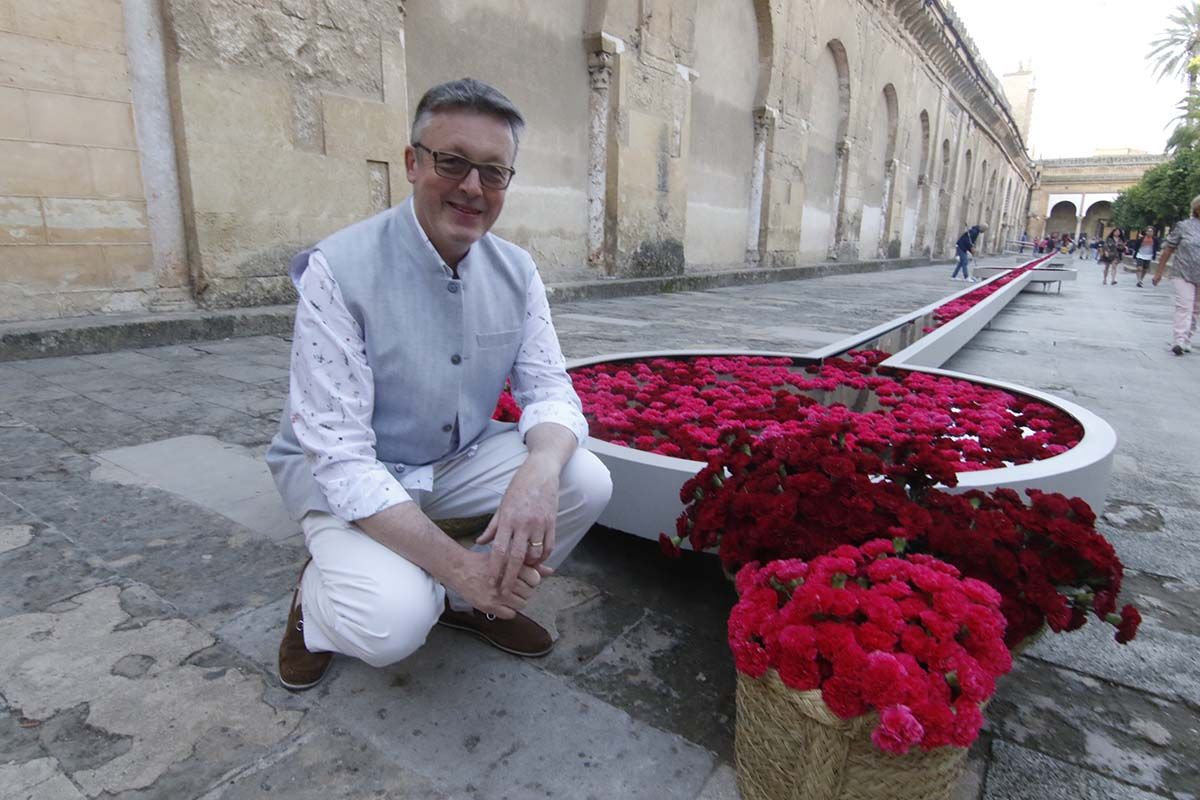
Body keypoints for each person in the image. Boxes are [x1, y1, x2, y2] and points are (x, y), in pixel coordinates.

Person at [266, 78, 613, 691]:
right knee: (393, 624)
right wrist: (458, 566)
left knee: (582, 478)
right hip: (352, 475)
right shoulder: (338, 270)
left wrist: (536, 475)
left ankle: (475, 604)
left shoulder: (517, 269)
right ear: (411, 162)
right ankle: (317, 605)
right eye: (452, 162)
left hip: (455, 460)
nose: (472, 188)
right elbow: (342, 459)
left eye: (494, 172)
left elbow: (551, 389)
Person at [1152, 196, 1200, 355]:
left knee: (1195, 309)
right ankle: (1179, 339)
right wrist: (1159, 272)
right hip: (1183, 271)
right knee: (1184, 305)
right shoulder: (1184, 226)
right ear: (1197, 208)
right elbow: (1168, 250)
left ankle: (1187, 339)